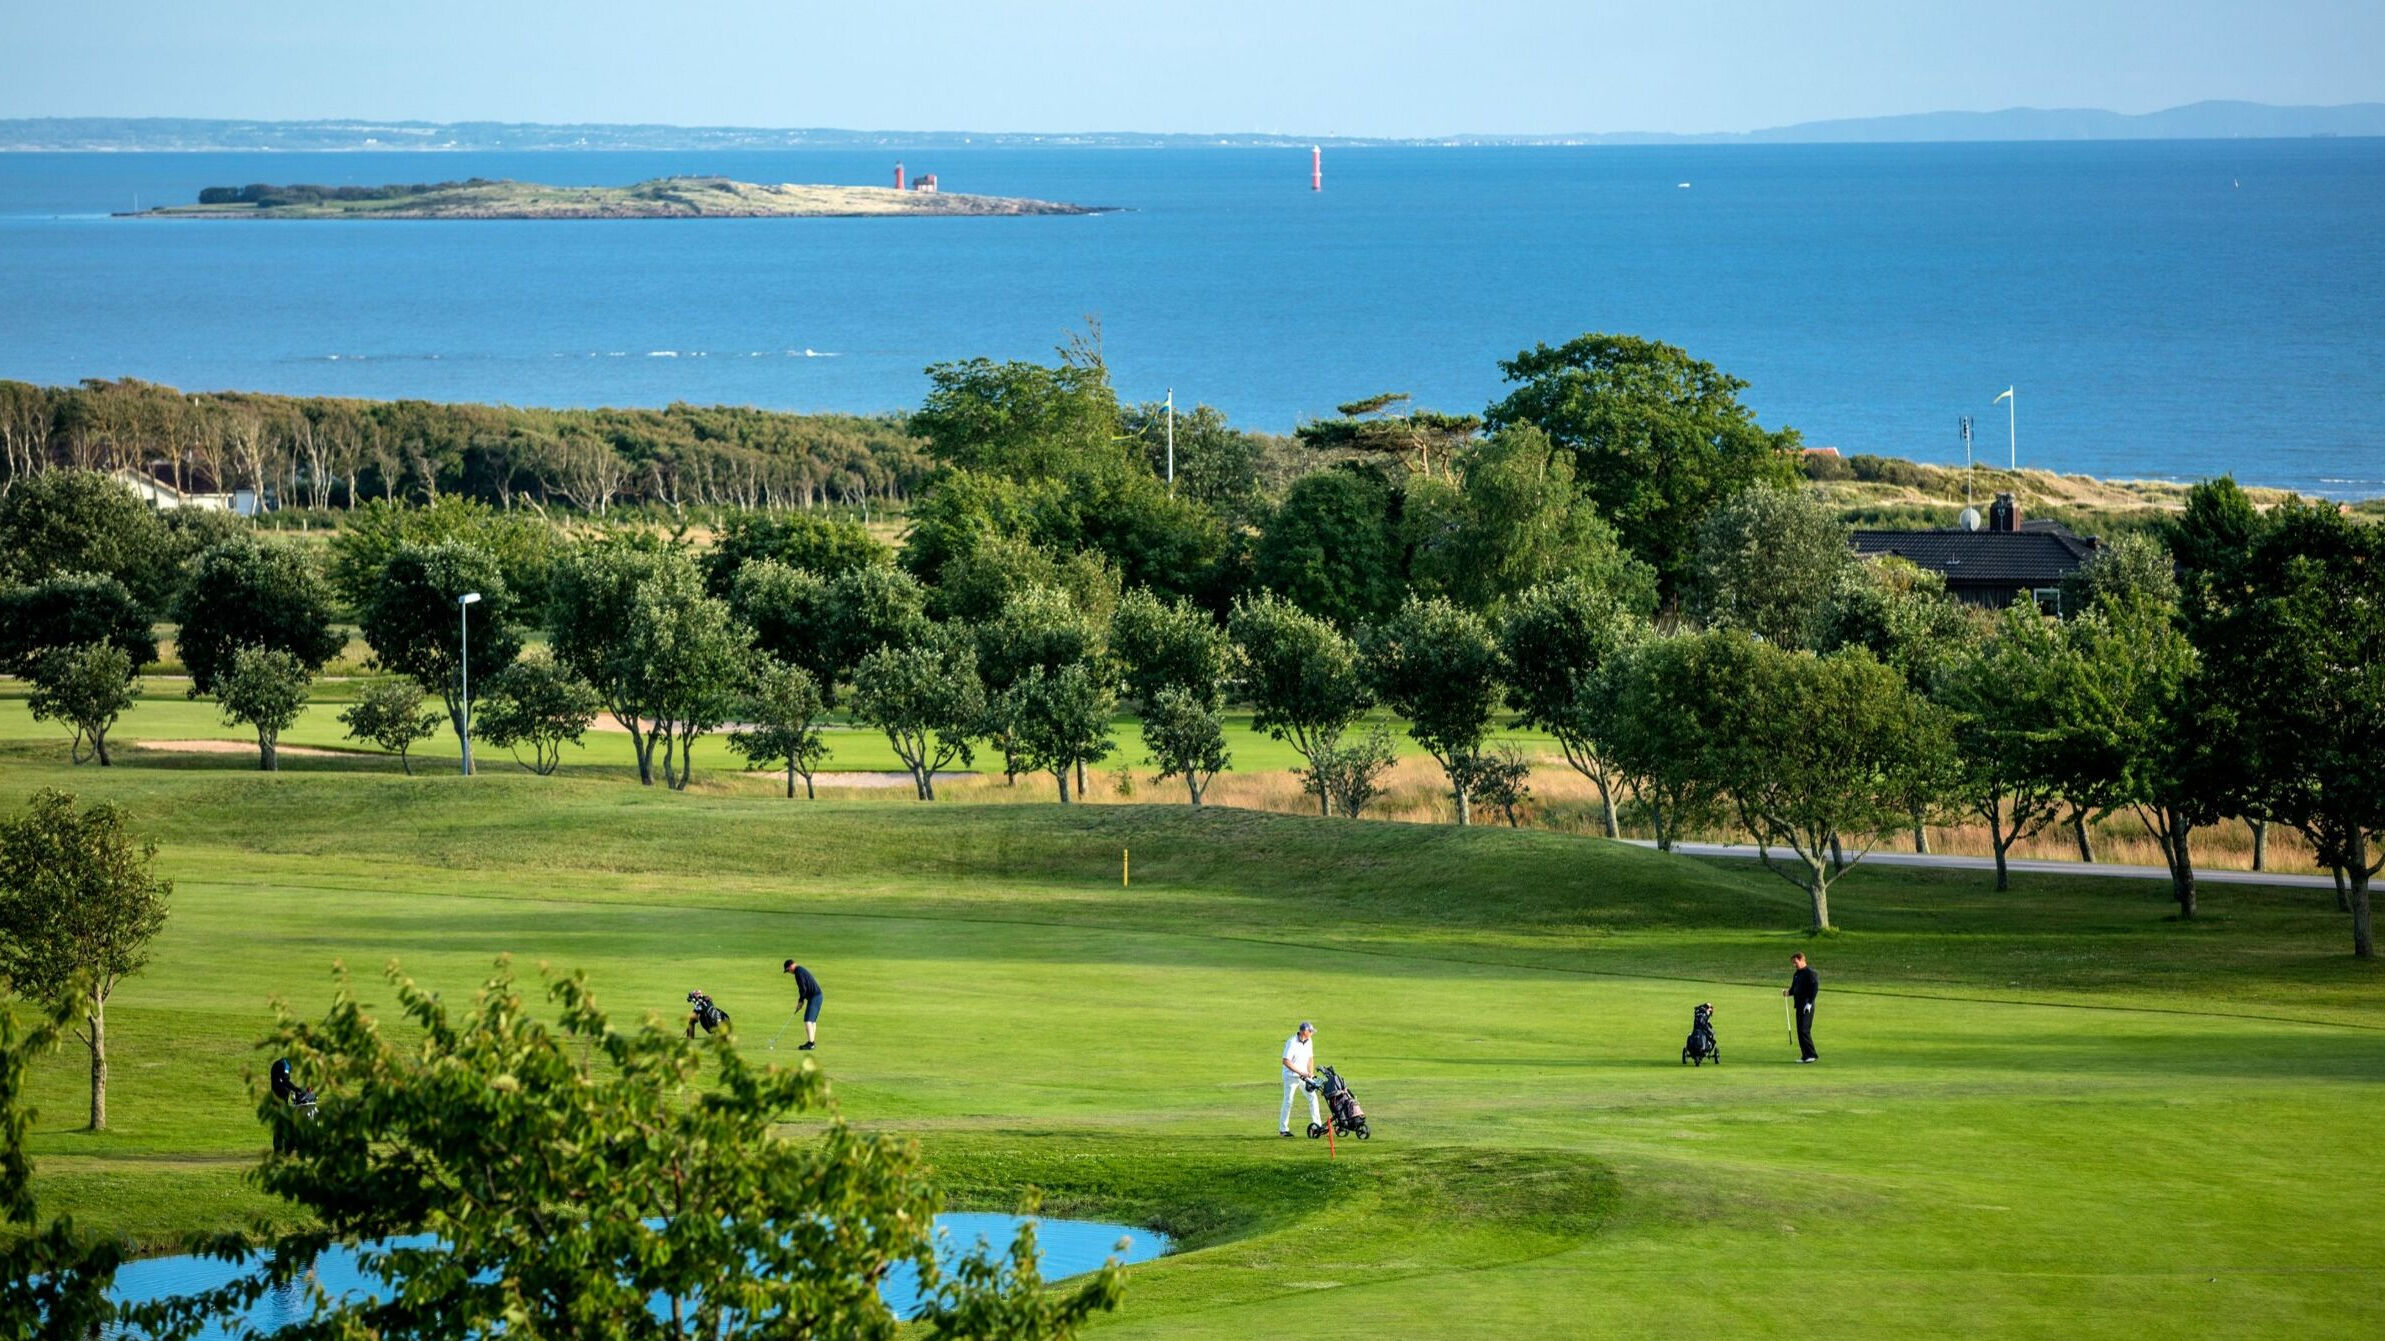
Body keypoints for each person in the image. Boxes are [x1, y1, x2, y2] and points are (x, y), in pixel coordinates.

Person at [1279, 1020, 1320, 1137]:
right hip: (1291, 1077)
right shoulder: (1291, 1042)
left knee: (1313, 1098)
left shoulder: (1309, 1041)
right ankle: (1283, 1129)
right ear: (1304, 1032)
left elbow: (1310, 1058)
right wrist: (1301, 1072)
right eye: (1310, 1031)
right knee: (1288, 1101)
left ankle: (1317, 1126)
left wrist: (1310, 1073)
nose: (1312, 1033)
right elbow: (1286, 1061)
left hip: (1305, 1076)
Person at [1782, 952, 1820, 1062]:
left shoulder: (1811, 973)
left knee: (1804, 1030)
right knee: (1800, 1031)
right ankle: (1805, 1056)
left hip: (1807, 1006)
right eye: (1793, 963)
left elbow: (1814, 988)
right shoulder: (1797, 974)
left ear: (1802, 960)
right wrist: (1787, 993)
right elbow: (1794, 989)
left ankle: (1811, 1055)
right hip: (1798, 1006)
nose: (1794, 965)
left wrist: (1809, 1003)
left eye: (1795, 962)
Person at [781, 959, 823, 1050]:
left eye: (788, 970)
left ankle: (810, 1043)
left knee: (807, 1020)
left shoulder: (798, 973)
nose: (789, 972)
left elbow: (803, 989)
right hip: (817, 996)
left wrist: (800, 1001)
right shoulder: (800, 970)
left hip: (815, 997)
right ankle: (812, 1042)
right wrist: (801, 1001)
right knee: (812, 1021)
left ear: (791, 966)